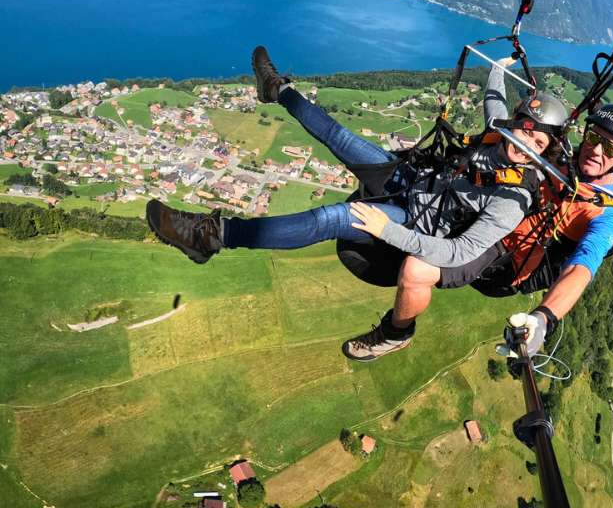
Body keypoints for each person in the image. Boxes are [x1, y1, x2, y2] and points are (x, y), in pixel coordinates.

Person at [146, 46, 568, 359]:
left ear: (546, 150)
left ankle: (211, 236)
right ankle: (277, 90)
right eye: (525, 129)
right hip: (414, 178)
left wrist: (388, 230)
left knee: (334, 217)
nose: (525, 142)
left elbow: (458, 253)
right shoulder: (500, 133)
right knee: (340, 136)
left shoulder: (513, 198)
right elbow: (492, 101)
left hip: (415, 221)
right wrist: (497, 69)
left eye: (537, 140)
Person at [340, 103, 613, 361]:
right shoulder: (562, 158)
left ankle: (395, 333)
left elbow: (581, 268)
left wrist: (543, 318)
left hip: (506, 256)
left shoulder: (610, 214)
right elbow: (511, 124)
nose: (595, 149)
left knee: (415, 271)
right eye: (593, 137)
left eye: (610, 147)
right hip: (490, 215)